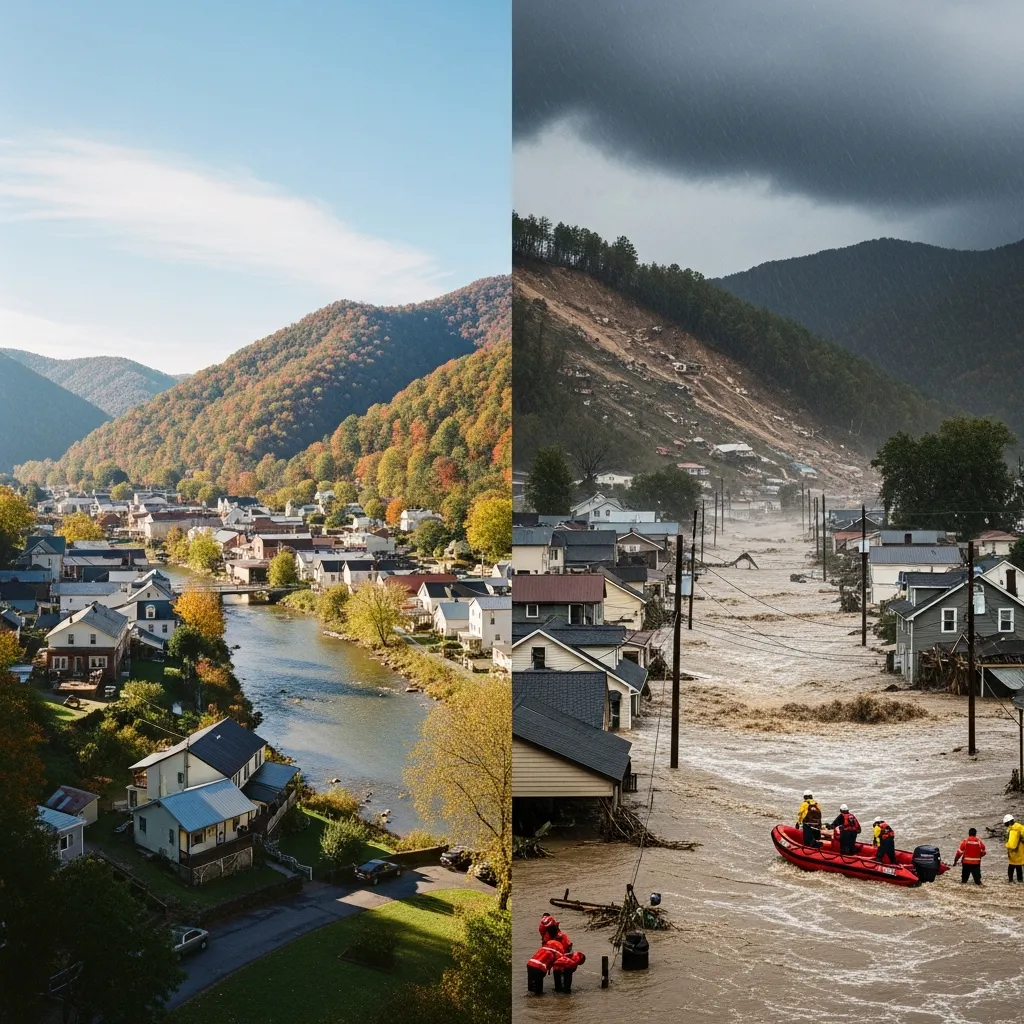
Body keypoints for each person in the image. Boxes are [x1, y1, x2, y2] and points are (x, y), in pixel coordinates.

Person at [1005, 813, 1024, 882]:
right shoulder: (1020, 827)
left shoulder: (1013, 829)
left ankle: (1010, 879)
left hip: (1014, 851)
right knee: (1019, 866)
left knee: (1012, 865)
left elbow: (1012, 844)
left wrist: (1007, 845)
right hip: (1021, 851)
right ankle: (1020, 880)